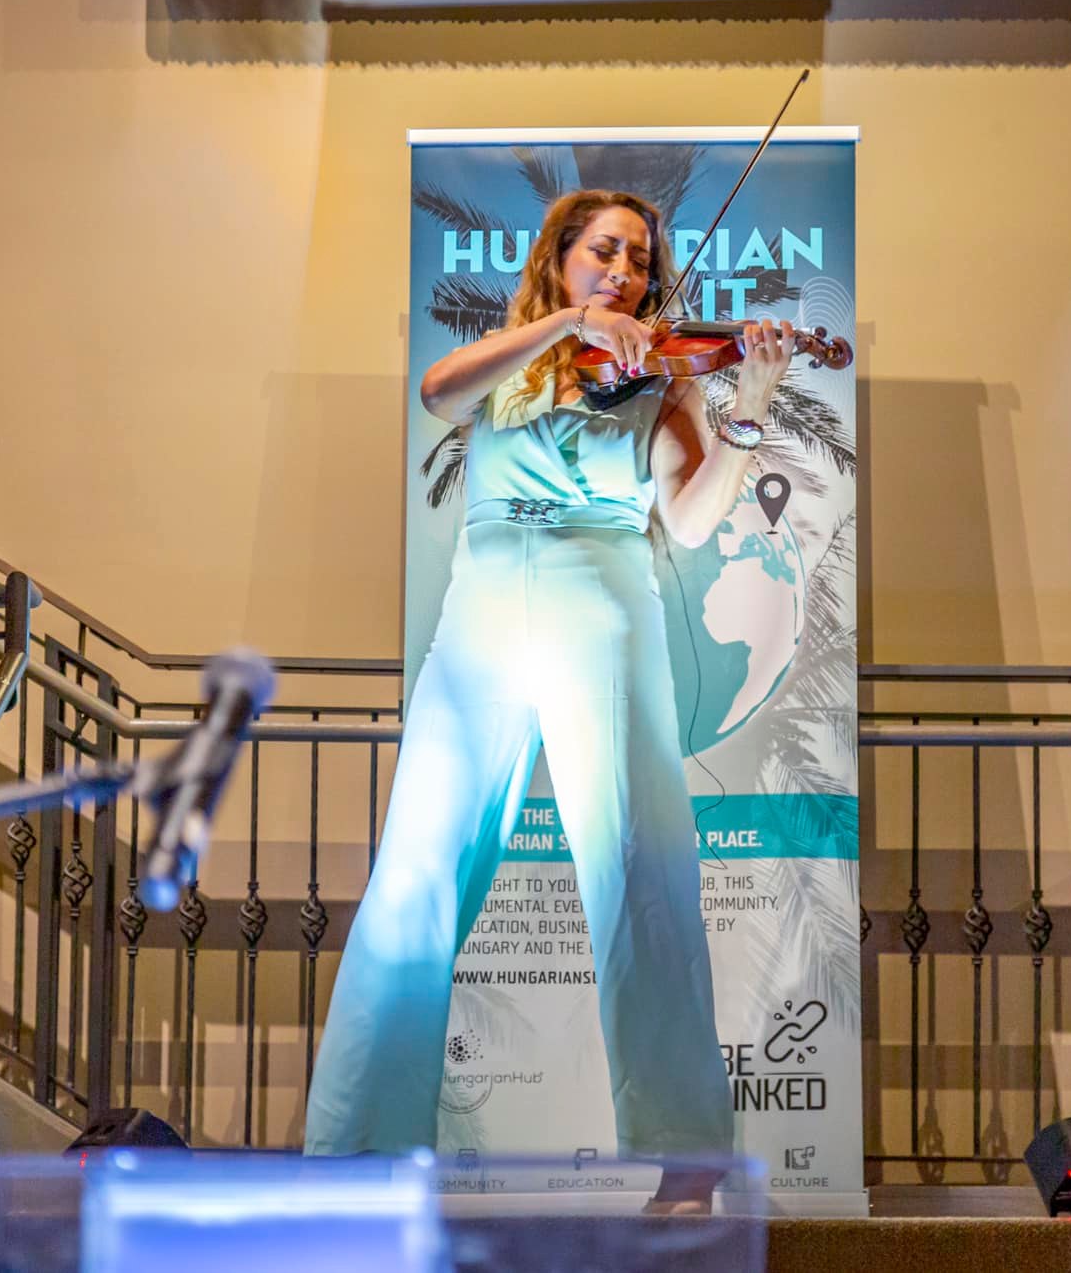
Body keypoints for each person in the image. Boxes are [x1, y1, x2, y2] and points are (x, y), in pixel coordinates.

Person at [303, 188, 792, 1213]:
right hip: (480, 605)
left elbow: (689, 521)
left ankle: (684, 1161)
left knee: (637, 860)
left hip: (599, 597)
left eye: (638, 261)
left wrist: (748, 405)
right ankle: (360, 1152)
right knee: (417, 867)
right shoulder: (513, 356)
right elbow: (438, 392)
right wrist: (571, 325)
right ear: (560, 258)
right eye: (605, 251)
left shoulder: (662, 379)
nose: (624, 272)